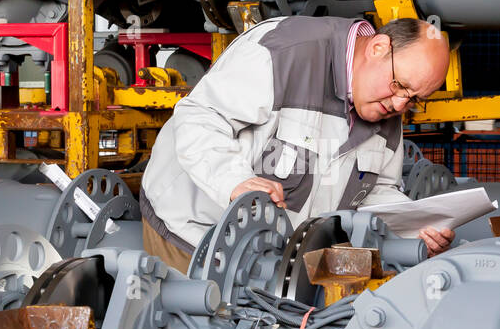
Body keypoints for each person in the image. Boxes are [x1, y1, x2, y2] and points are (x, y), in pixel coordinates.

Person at [139, 14, 456, 271]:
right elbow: (201, 116)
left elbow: (374, 190)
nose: (400, 105)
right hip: (191, 236)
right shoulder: (286, 52)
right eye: (399, 85)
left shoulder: (386, 109)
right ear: (377, 48)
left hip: (271, 258)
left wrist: (414, 227)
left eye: (414, 99)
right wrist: (234, 182)